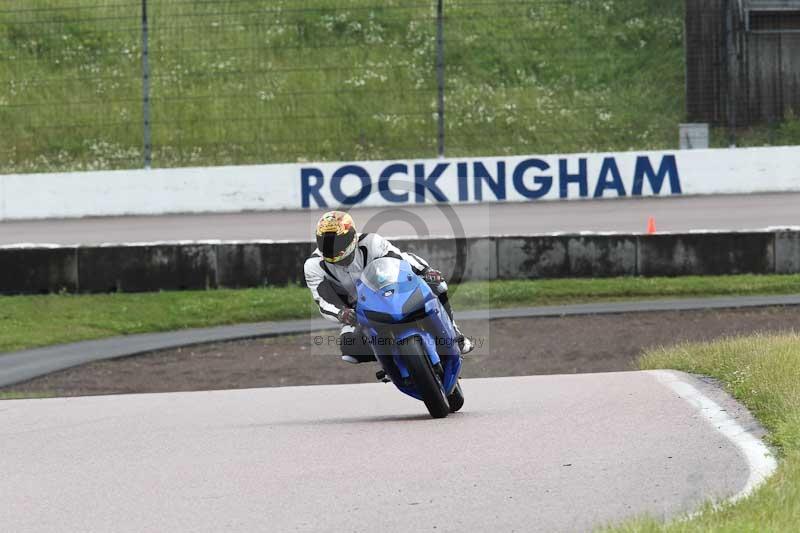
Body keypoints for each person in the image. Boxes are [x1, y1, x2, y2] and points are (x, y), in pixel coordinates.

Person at [304, 210, 474, 364]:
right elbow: (322, 301)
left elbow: (401, 259)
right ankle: (392, 362)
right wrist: (341, 313)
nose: (332, 249)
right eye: (325, 242)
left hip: (392, 292)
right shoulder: (313, 266)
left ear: (351, 236)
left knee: (438, 286)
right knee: (350, 351)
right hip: (357, 312)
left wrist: (426, 271)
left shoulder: (371, 242)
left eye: (337, 241)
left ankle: (455, 336)